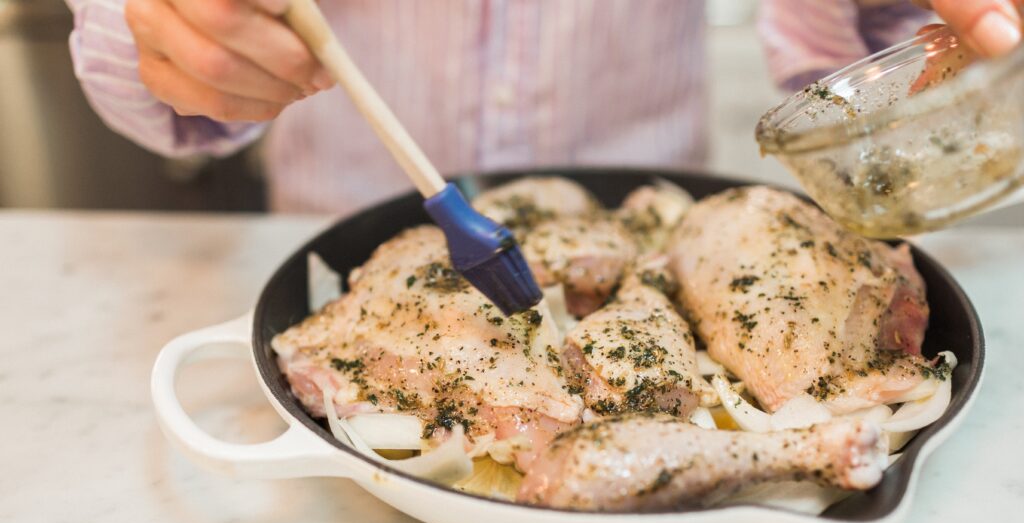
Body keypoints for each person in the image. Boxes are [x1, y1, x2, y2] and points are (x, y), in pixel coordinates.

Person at [67, 0, 1021, 213]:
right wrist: (162, 27)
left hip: (662, 238)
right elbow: (143, 47)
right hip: (340, 234)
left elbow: (842, 52)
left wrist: (921, 29)